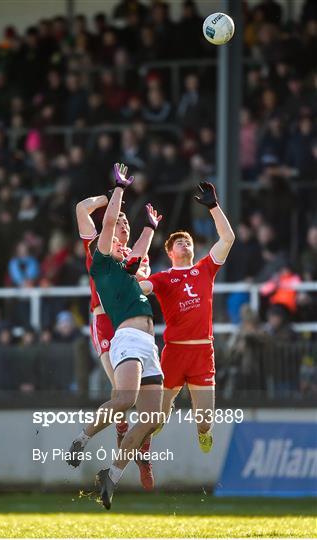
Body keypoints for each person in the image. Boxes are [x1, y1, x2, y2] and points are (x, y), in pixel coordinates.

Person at [68, 163, 163, 510]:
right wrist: (114, 194)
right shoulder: (102, 255)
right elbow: (95, 218)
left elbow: (140, 261)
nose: (121, 222)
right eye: (118, 220)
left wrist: (150, 229)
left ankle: (117, 468)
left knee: (150, 414)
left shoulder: (127, 261)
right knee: (123, 398)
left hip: (142, 333)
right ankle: (90, 436)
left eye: (126, 221)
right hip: (115, 326)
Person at [140, 182, 235, 452]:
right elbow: (143, 287)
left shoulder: (204, 269)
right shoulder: (163, 277)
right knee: (158, 417)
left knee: (205, 422)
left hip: (203, 353)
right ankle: (151, 430)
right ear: (170, 252)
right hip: (174, 352)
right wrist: (135, 278)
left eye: (188, 241)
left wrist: (214, 207)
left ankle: (203, 433)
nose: (185, 244)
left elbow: (228, 239)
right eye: (179, 242)